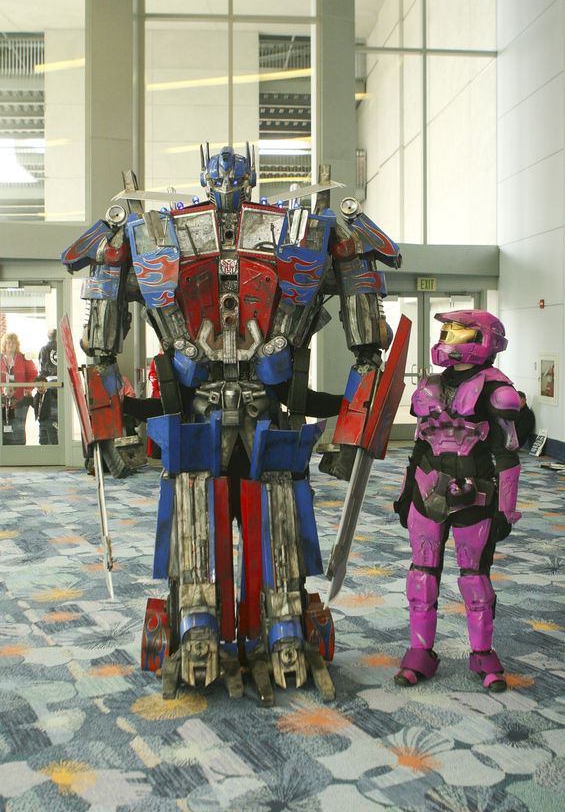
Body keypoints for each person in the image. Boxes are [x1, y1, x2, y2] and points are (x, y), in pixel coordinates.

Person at [62, 143, 404, 704]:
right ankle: (197, 621)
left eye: (236, 177)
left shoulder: (305, 233)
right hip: (196, 412)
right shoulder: (155, 233)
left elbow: (369, 341)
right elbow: (100, 340)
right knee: (195, 507)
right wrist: (108, 428)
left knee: (278, 508)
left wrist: (353, 433)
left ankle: (284, 623)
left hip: (267, 409)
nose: (227, 187)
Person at [393, 310, 521, 692]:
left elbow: (508, 454)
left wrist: (504, 510)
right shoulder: (431, 386)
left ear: (483, 341)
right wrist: (404, 496)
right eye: (445, 330)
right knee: (421, 576)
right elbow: (418, 446)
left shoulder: (497, 390)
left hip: (474, 495)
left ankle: (483, 654)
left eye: (458, 331)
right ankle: (420, 653)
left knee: (474, 579)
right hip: (427, 491)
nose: (448, 337)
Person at [1, 332, 38, 445]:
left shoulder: (24, 358)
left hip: (20, 400)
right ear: (4, 344)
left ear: (17, 344)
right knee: (4, 427)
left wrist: (27, 389)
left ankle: (19, 453)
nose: (11, 345)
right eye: (8, 342)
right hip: (3, 400)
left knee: (18, 428)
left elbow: (33, 375)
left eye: (13, 343)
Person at [32, 375, 58, 445]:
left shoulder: (51, 393)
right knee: (43, 441)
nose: (40, 389)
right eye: (38, 387)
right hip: (42, 421)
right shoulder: (36, 396)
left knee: (53, 439)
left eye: (42, 386)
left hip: (51, 420)